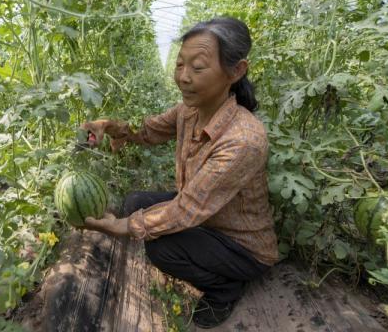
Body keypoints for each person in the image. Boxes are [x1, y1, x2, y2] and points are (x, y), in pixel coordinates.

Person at [80, 17, 278, 329]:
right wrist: (109, 126)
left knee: (160, 246)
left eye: (198, 68)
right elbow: (148, 130)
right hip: (209, 217)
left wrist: (118, 227)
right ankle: (203, 260)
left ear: (236, 71)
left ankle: (224, 289)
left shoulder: (244, 140)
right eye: (180, 64)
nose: (183, 77)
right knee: (136, 202)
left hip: (241, 246)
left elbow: (185, 211)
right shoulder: (190, 110)